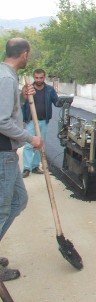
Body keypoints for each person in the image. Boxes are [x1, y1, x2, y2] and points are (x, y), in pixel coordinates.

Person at [0, 38, 42, 281]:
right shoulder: (6, 78)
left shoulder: (6, 76)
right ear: (24, 54)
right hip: (3, 151)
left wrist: (23, 99)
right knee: (4, 208)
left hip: (7, 152)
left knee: (19, 200)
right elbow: (2, 121)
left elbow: (8, 112)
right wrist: (30, 138)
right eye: (29, 54)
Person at [21, 68, 62, 177]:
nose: (39, 80)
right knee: (29, 144)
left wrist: (64, 102)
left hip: (44, 121)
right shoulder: (28, 89)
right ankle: (26, 168)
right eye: (37, 78)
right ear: (34, 77)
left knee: (39, 144)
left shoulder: (49, 90)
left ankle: (35, 166)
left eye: (41, 77)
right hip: (31, 121)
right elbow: (22, 103)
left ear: (44, 77)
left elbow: (56, 102)